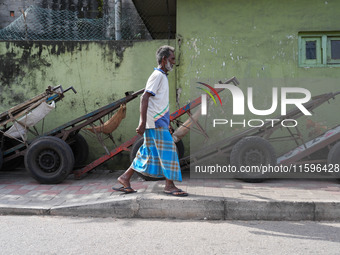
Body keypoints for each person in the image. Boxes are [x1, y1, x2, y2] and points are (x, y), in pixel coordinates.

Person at [112, 45, 188, 197]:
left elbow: (159, 103)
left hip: (158, 122)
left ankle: (125, 178)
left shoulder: (162, 76)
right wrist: (142, 122)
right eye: (172, 59)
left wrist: (167, 123)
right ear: (164, 59)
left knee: (147, 152)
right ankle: (169, 185)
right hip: (155, 123)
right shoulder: (158, 75)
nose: (174, 62)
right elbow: (144, 98)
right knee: (170, 152)